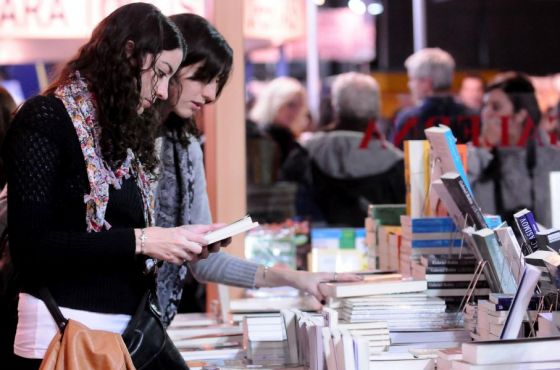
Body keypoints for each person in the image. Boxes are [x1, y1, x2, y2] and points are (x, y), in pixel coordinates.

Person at [1, 4, 224, 369]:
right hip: (64, 336)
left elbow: (116, 238)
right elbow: (31, 246)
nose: (165, 91)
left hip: (123, 331)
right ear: (129, 54)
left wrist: (177, 241)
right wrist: (143, 240)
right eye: (162, 74)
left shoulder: (121, 131)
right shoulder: (45, 118)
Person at [155, 13, 362, 326]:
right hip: (107, 325)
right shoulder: (123, 139)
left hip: (152, 323)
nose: (210, 94)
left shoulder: (186, 147)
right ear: (167, 66)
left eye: (216, 83)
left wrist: (297, 279)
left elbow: (205, 265)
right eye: (202, 77)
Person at [283, 72, 405, 227]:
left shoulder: (306, 152)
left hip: (316, 243)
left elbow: (286, 202)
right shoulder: (395, 161)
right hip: (377, 245)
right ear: (376, 108)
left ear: (335, 105)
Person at [468, 73, 546, 225]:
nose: (486, 113)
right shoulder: (477, 155)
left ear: (520, 115)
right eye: (485, 106)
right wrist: (482, 151)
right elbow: (458, 195)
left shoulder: (547, 157)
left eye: (496, 107)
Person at [392, 48, 476, 148]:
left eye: (412, 79)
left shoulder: (408, 120)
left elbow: (395, 159)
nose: (409, 85)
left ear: (426, 83)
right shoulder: (473, 116)